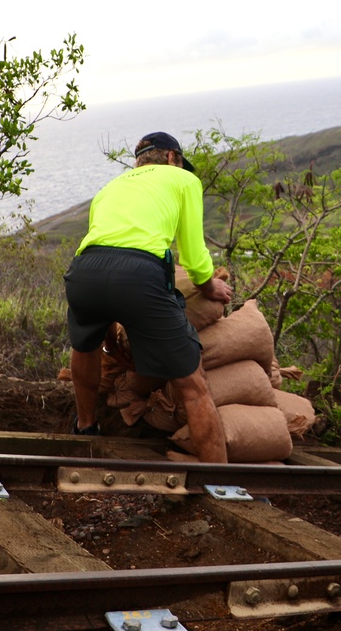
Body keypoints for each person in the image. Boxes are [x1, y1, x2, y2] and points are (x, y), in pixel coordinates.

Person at [64, 131, 232, 463]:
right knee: (193, 383)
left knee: (85, 346)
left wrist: (110, 331)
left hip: (84, 271)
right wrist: (208, 284)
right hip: (140, 276)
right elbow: (194, 252)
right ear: (172, 157)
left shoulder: (111, 188)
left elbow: (106, 251)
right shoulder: (182, 180)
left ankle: (86, 428)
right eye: (181, 163)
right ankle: (220, 480)